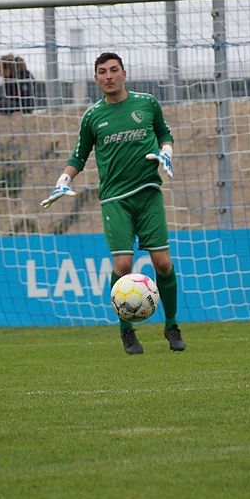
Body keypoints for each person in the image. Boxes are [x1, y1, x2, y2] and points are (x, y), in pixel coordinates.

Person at [40, 52, 185, 355]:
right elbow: (79, 156)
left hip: (148, 193)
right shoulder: (93, 116)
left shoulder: (147, 103)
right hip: (115, 200)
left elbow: (164, 134)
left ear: (124, 73)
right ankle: (126, 331)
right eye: (102, 72)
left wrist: (167, 152)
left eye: (113, 70)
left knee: (163, 263)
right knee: (122, 265)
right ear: (96, 78)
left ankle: (172, 326)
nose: (108, 76)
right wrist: (63, 179)